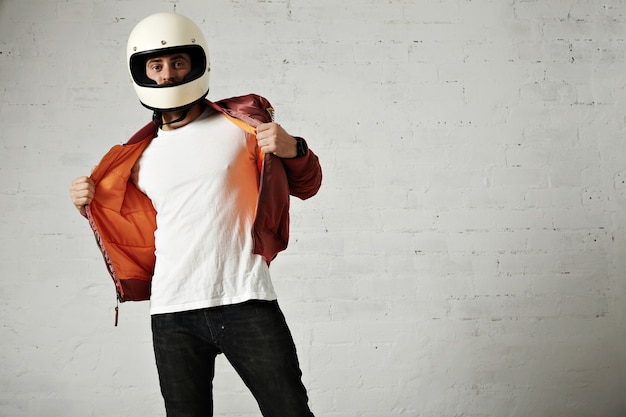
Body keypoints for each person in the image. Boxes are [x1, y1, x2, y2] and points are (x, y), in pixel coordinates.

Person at [69, 12, 321, 417]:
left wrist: (295, 149)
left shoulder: (242, 127)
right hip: (172, 312)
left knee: (289, 411)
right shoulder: (136, 158)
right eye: (156, 65)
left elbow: (307, 185)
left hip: (245, 298)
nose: (167, 74)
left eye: (177, 62)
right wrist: (88, 205)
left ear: (197, 64)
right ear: (142, 73)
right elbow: (130, 223)